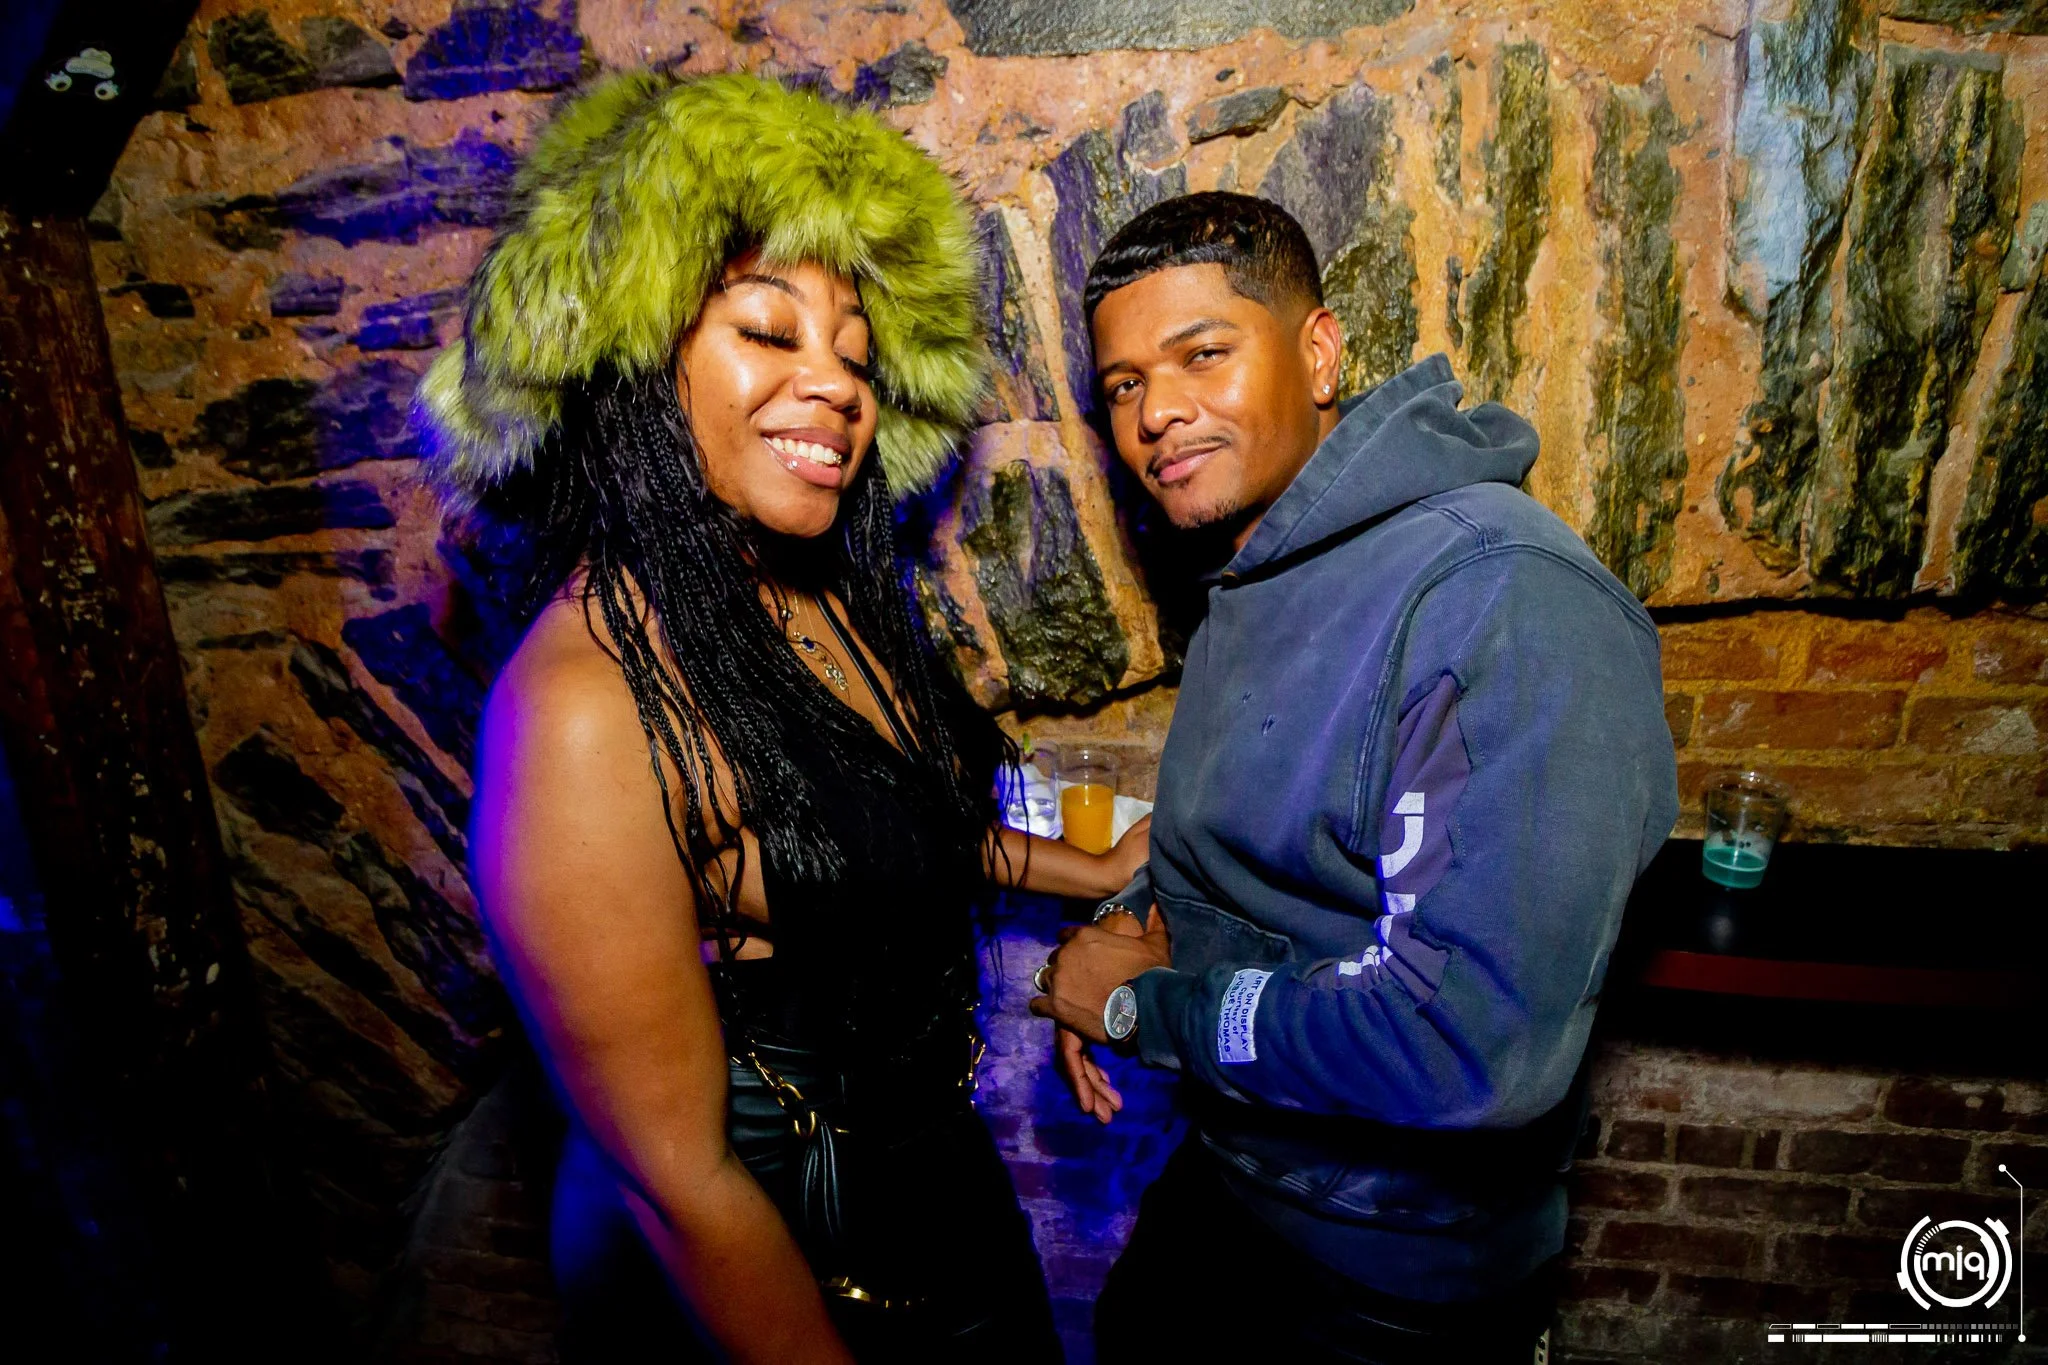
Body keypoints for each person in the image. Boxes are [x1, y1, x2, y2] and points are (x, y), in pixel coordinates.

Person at [425, 72, 1144, 1363]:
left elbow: (875, 836)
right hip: (767, 1281)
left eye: (856, 355)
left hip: (944, 1223)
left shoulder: (822, 600)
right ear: (636, 358)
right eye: (768, 330)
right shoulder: (584, 708)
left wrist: (1086, 869)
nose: (836, 386)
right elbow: (680, 1183)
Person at [1031, 192, 1679, 1362]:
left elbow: (1458, 1044)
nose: (1154, 412)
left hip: (1387, 1282)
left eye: (1200, 354)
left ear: (1319, 353)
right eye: (1123, 384)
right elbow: (1251, 843)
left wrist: (1137, 1008)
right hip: (1228, 1189)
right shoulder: (1255, 568)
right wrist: (1133, 921)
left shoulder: (1500, 596)